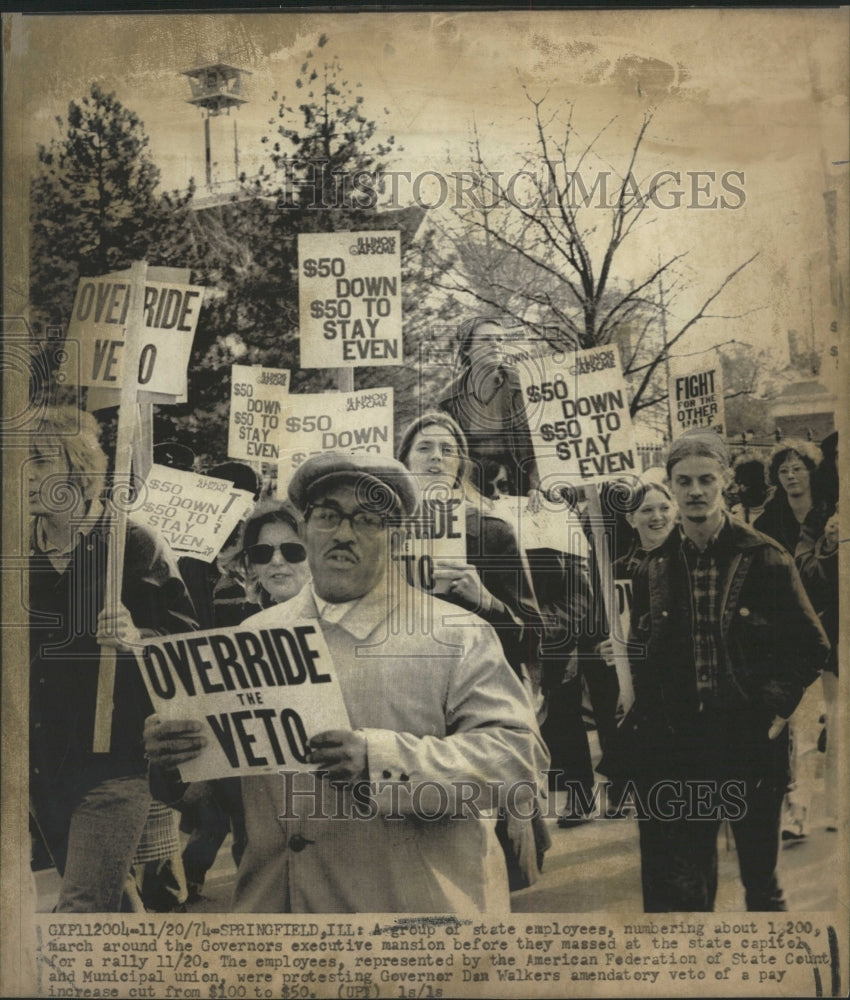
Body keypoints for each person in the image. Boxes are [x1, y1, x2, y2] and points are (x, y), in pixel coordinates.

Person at [145, 453, 549, 912]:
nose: (343, 532)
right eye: (327, 515)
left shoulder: (456, 633)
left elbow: (519, 764)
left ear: (396, 536)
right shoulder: (253, 637)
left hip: (411, 920)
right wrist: (174, 760)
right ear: (306, 527)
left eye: (368, 520)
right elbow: (210, 799)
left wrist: (380, 761)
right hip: (281, 919)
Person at [624, 431, 829, 912]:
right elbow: (647, 650)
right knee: (692, 884)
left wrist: (777, 706)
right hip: (686, 746)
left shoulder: (765, 557)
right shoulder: (654, 567)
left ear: (726, 483)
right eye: (684, 481)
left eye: (706, 480)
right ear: (671, 488)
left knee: (761, 881)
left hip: (750, 741)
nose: (695, 491)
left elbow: (812, 644)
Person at [28, 406, 197, 912]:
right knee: (112, 900)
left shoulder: (133, 543)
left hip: (117, 760)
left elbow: (186, 644)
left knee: (80, 909)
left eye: (37, 460)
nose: (23, 474)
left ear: (77, 470)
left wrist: (137, 635)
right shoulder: (16, 551)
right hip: (44, 765)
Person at [397, 412, 549, 887]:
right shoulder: (382, 534)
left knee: (480, 835)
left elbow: (531, 632)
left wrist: (485, 600)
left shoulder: (491, 531)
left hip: (473, 696)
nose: (436, 457)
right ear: (402, 459)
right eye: (425, 447)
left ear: (462, 464)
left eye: (447, 449)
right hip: (405, 695)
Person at [179, 500, 311, 903]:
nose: (276, 562)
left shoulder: (350, 626)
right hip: (259, 817)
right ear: (250, 564)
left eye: (292, 550)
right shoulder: (246, 633)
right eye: (261, 553)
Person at [754, 439, 835, 840]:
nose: (790, 475)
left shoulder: (833, 514)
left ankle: (835, 806)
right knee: (802, 727)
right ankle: (797, 813)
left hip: (836, 630)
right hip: (793, 638)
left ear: (811, 471)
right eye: (783, 469)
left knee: (838, 725)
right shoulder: (769, 522)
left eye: (797, 467)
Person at [438, 316, 543, 510]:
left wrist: (536, 486)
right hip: (473, 490)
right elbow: (450, 454)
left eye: (500, 340)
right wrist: (465, 491)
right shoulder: (448, 400)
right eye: (486, 340)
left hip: (523, 488)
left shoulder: (525, 387)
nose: (495, 345)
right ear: (467, 349)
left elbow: (542, 442)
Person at [727, 453, 770, 525]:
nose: (738, 490)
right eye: (739, 483)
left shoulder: (775, 515)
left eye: (745, 484)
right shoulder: (735, 513)